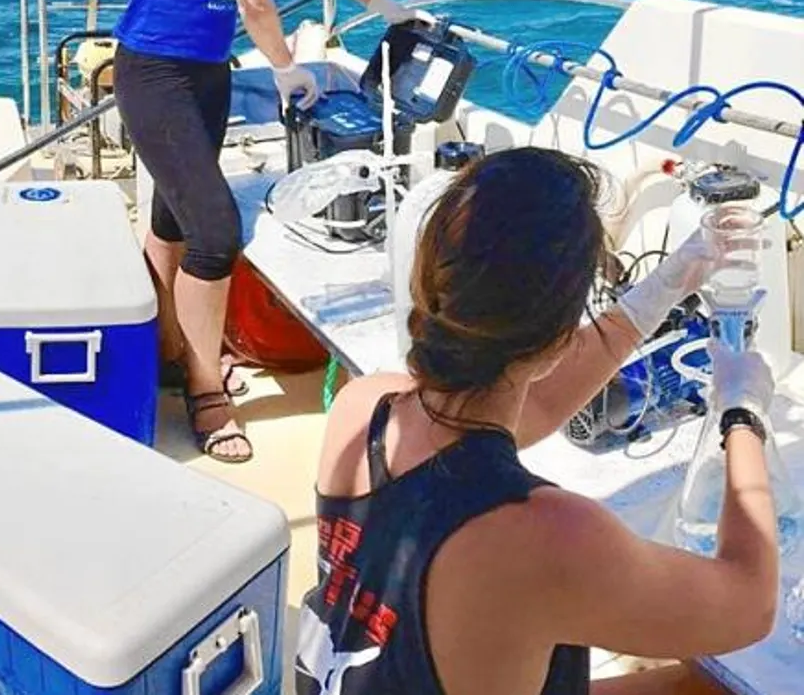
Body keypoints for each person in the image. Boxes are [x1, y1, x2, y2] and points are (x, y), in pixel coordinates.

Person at [297, 147, 778, 695]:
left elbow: (539, 406)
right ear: (554, 342)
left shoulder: (364, 408)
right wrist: (743, 413)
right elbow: (750, 603)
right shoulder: (547, 535)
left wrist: (668, 283)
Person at [110, 0, 417, 462]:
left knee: (173, 222)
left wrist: (390, 9)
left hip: (204, 66)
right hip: (156, 68)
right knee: (216, 232)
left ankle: (164, 352)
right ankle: (204, 390)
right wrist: (286, 69)